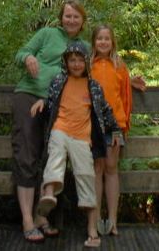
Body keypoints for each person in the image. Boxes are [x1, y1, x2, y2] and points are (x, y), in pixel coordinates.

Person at [31, 40, 122, 249]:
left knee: (86, 177)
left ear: (86, 63)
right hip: (60, 130)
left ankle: (92, 229)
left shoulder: (93, 86)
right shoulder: (59, 81)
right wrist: (41, 102)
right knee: (55, 157)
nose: (76, 64)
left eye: (80, 60)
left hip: (82, 138)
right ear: (66, 62)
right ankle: (48, 195)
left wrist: (115, 130)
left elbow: (106, 110)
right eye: (72, 60)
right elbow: (49, 98)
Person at [12, 0, 88, 243]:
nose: (71, 20)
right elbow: (20, 53)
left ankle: (41, 216)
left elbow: (100, 69)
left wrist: (126, 81)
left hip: (59, 103)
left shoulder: (84, 46)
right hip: (30, 94)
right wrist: (28, 59)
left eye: (76, 16)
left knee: (51, 156)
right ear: (61, 17)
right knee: (27, 153)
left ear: (83, 21)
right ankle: (26, 220)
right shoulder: (46, 34)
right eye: (67, 15)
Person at [90, 24, 132, 237]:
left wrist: (125, 126)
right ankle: (96, 220)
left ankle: (113, 220)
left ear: (112, 42)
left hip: (115, 125)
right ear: (94, 42)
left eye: (107, 39)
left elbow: (125, 97)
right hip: (93, 126)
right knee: (96, 170)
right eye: (99, 39)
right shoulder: (89, 66)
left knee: (111, 169)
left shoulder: (120, 66)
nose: (103, 42)